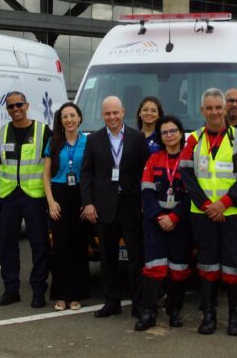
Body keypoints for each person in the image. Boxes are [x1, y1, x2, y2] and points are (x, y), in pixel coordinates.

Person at [180, 88, 237, 336]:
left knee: (234, 267)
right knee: (207, 265)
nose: (214, 112)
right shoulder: (193, 139)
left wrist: (224, 203)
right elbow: (187, 176)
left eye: (218, 107)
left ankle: (235, 318)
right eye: (209, 108)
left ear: (225, 110)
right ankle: (209, 316)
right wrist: (207, 206)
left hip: (233, 214)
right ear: (202, 110)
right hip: (202, 214)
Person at [80, 95, 150, 319]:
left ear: (123, 112)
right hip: (104, 207)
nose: (112, 117)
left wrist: (144, 203)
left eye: (115, 113)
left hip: (130, 207)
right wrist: (88, 203)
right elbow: (87, 173)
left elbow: (145, 172)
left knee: (135, 258)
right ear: (103, 115)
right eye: (107, 113)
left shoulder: (137, 138)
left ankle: (139, 304)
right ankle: (112, 302)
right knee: (108, 259)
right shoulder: (94, 140)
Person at [0, 91, 51, 309]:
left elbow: (50, 160)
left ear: (27, 105)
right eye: (10, 106)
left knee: (39, 243)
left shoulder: (42, 131)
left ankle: (38, 289)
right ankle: (11, 289)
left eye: (19, 105)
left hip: (33, 196)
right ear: (6, 109)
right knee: (7, 244)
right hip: (9, 195)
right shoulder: (1, 132)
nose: (15, 109)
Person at [135, 115, 191, 331]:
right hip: (155, 221)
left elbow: (192, 194)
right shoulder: (154, 159)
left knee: (179, 268)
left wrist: (174, 217)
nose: (169, 135)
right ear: (160, 136)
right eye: (164, 132)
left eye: (173, 131)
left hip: (180, 222)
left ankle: (174, 310)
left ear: (180, 133)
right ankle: (148, 312)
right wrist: (160, 217)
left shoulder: (189, 160)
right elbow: (146, 191)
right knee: (153, 267)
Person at [43, 102, 91, 311]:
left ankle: (76, 294)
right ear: (60, 121)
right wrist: (51, 201)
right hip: (59, 194)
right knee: (60, 247)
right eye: (65, 117)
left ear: (79, 118)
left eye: (73, 115)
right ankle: (60, 295)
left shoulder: (88, 142)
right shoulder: (53, 143)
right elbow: (45, 175)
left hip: (80, 195)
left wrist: (88, 201)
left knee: (78, 246)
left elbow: (93, 174)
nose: (69, 120)